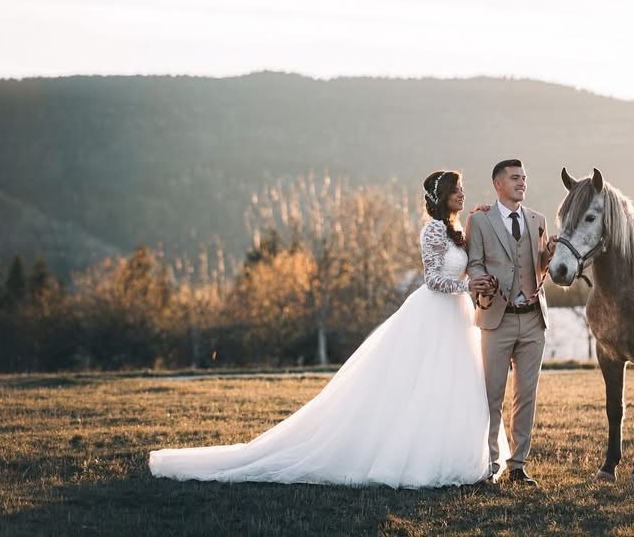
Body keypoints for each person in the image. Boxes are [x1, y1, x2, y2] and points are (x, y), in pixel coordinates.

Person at [149, 170, 509, 487]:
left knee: (457, 385)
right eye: (456, 189)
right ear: (442, 196)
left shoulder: (456, 228)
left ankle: (460, 454)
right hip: (433, 314)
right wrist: (468, 287)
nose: (462, 194)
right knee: (423, 385)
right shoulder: (432, 230)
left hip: (459, 317)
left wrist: (478, 280)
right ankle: (418, 458)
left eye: (461, 189)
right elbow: (432, 280)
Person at [466, 159, 555, 486]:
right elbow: (473, 263)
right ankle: (490, 464)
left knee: (526, 395)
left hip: (533, 320)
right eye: (515, 178)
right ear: (498, 184)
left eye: (524, 178)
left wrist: (550, 254)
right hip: (496, 319)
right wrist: (481, 279)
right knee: (492, 394)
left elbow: (540, 264)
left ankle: (517, 465)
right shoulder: (479, 221)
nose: (522, 183)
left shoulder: (538, 220)